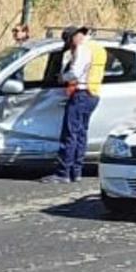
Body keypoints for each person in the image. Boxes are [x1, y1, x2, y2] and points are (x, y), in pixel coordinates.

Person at [41, 26, 106, 184]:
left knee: (70, 134)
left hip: (81, 94)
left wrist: (63, 77)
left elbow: (75, 73)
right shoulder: (97, 47)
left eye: (70, 43)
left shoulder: (82, 49)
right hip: (93, 94)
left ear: (73, 38)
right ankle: (76, 171)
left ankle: (63, 173)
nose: (71, 48)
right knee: (81, 134)